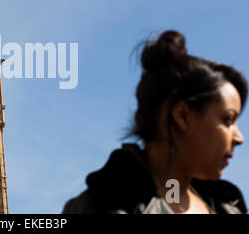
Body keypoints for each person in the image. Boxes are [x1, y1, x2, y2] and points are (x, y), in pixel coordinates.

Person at [62, 30, 248, 214]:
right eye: (228, 120)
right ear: (182, 116)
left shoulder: (229, 207)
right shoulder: (97, 207)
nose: (240, 138)